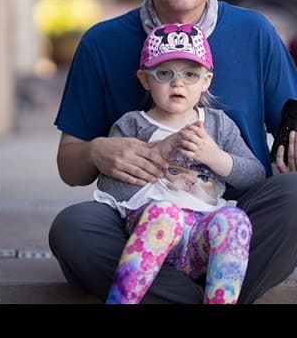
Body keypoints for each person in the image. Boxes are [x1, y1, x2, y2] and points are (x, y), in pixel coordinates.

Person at [48, 0, 297, 304]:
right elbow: (69, 167)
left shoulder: (254, 33)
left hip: (232, 217)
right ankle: (213, 296)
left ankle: (168, 294)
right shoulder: (102, 43)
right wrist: (96, 151)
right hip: (140, 220)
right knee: (73, 227)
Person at [96, 22, 265, 304]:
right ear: (145, 79)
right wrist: (159, 151)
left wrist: (215, 157)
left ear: (206, 80)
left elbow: (255, 176)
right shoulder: (132, 125)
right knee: (166, 214)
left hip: (202, 239)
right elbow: (110, 189)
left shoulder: (218, 125)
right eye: (164, 73)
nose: (178, 83)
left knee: (235, 220)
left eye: (190, 74)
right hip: (151, 237)